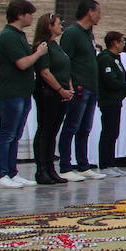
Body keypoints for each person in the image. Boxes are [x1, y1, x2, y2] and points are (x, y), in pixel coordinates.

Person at [0, 0, 47, 188]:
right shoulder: (8, 36)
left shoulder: (19, 35)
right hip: (11, 92)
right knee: (7, 133)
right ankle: (1, 175)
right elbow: (22, 63)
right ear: (19, 15)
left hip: (22, 91)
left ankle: (12, 172)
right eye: (29, 13)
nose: (31, 17)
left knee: (15, 134)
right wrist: (38, 53)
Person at [57, 0, 103, 180]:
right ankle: (66, 166)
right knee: (71, 126)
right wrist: (69, 85)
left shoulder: (88, 35)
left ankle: (83, 165)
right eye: (98, 12)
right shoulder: (71, 33)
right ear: (89, 12)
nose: (100, 16)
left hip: (92, 87)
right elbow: (65, 60)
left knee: (85, 128)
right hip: (79, 87)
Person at [29, 13, 73, 185]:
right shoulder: (43, 45)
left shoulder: (57, 45)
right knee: (45, 130)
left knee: (53, 131)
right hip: (48, 93)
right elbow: (45, 72)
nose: (61, 25)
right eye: (58, 23)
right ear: (49, 26)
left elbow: (65, 67)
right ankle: (41, 170)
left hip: (61, 93)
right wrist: (60, 89)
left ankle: (50, 168)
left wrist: (68, 88)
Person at [95, 32, 126, 178]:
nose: (123, 44)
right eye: (121, 41)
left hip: (116, 100)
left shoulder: (115, 59)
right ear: (114, 43)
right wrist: (125, 85)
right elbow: (110, 80)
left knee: (113, 132)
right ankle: (105, 164)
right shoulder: (105, 59)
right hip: (108, 100)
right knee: (108, 132)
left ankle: (111, 163)